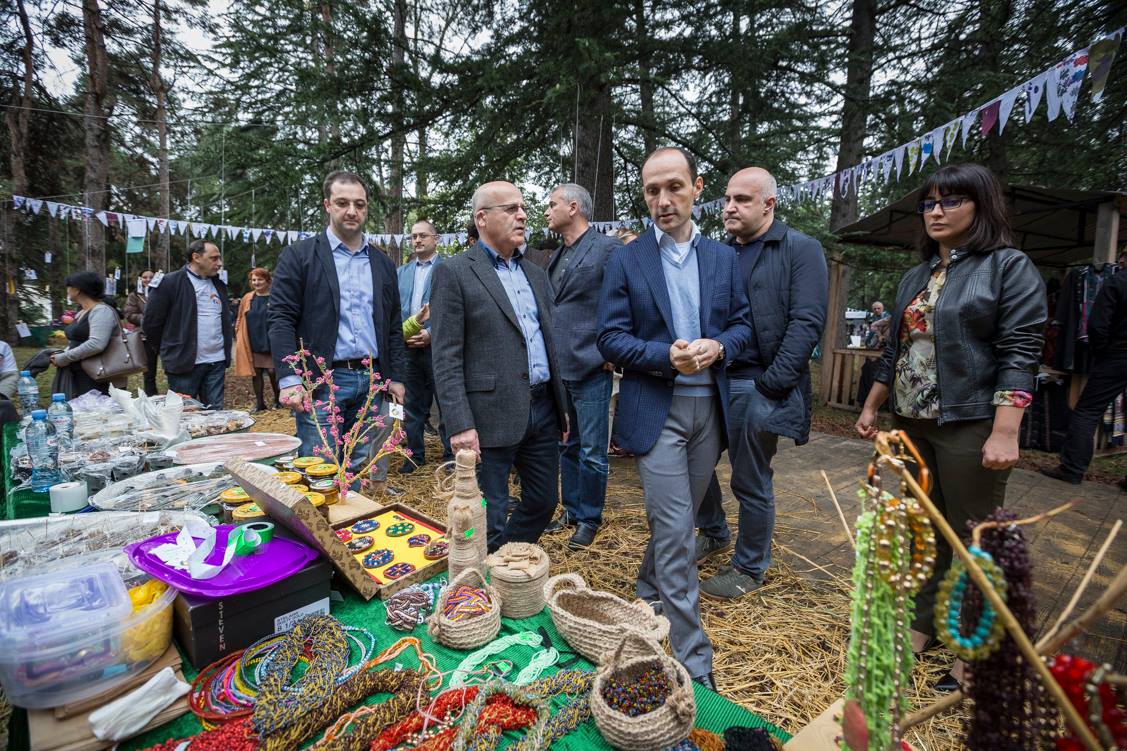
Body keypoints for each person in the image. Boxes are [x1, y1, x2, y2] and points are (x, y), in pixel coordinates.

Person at [855, 163, 1045, 691]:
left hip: (970, 420)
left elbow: (1021, 351)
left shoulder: (1008, 266)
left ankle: (976, 647)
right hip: (912, 422)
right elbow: (895, 350)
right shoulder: (916, 275)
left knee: (974, 536)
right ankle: (925, 623)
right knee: (925, 527)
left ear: (981, 206)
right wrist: (872, 406)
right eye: (929, 203)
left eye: (951, 201)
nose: (935, 212)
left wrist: (1005, 430)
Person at [597, 147, 752, 691]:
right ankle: (694, 659)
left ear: (697, 187)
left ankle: (647, 590)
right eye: (652, 191)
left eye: (674, 187)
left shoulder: (723, 258)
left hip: (709, 409)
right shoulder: (627, 259)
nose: (663, 200)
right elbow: (609, 337)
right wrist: (664, 355)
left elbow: (743, 327)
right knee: (676, 529)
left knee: (676, 522)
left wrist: (719, 347)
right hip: (655, 408)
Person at [694, 166, 828, 600]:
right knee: (695, 464)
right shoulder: (719, 253)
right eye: (727, 199)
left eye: (742, 200)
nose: (729, 207)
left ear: (769, 204)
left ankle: (749, 568)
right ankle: (714, 531)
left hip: (758, 384)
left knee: (750, 480)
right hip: (714, 380)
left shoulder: (799, 248)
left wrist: (771, 386)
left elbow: (807, 322)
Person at [430, 180, 568, 552]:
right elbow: (445, 356)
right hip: (486, 416)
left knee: (542, 502)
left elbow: (549, 343)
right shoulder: (454, 272)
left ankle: (501, 562)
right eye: (510, 209)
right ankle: (483, 578)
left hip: (542, 409)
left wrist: (562, 409)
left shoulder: (536, 273)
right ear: (482, 219)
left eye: (522, 208)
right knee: (486, 516)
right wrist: (459, 422)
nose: (522, 215)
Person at [269, 170, 406, 496]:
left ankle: (353, 522)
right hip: (322, 382)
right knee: (322, 470)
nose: (352, 211)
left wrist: (397, 377)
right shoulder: (300, 256)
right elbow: (281, 319)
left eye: (359, 204)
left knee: (359, 466)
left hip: (372, 381)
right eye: (343, 203)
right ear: (327, 205)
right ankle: (322, 529)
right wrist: (289, 378)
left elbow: (393, 326)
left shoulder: (382, 264)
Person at [542, 183, 623, 549]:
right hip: (560, 368)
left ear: (573, 208)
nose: (546, 211)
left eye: (552, 204)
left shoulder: (607, 249)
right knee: (568, 446)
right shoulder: (557, 255)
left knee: (592, 450)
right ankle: (572, 511)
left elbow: (624, 301)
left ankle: (590, 518)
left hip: (592, 364)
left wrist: (613, 351)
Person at [1041, 267, 1127, 484]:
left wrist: (1101, 351)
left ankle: (1072, 468)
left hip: (1117, 355)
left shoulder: (1118, 281)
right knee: (1088, 411)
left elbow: (1097, 324)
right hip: (1116, 354)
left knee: (1088, 411)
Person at [143, 241, 232, 409]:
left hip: (217, 362)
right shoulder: (169, 282)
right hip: (183, 364)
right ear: (196, 257)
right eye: (214, 258)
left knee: (216, 415)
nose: (219, 263)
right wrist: (170, 349)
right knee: (184, 415)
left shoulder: (219, 284)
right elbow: (151, 323)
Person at [396, 219, 452, 472]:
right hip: (408, 350)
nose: (417, 240)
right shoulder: (401, 272)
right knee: (412, 406)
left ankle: (450, 456)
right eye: (413, 236)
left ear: (436, 239)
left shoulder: (449, 268)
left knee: (446, 403)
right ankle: (414, 456)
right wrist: (402, 334)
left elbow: (454, 311)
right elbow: (394, 310)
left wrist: (431, 333)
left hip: (439, 349)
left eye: (423, 236)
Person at [49, 271, 130, 398]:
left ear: (77, 289)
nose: (67, 290)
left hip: (100, 375)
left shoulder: (102, 311)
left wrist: (65, 357)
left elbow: (96, 344)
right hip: (81, 372)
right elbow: (76, 341)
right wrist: (62, 354)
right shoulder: (82, 312)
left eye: (69, 287)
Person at [234, 267, 281, 413]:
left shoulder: (275, 297)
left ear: (267, 280)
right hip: (253, 340)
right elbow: (240, 317)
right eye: (253, 280)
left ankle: (278, 400)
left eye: (260, 279)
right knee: (256, 372)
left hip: (271, 340)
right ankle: (260, 403)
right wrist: (238, 332)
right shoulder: (248, 298)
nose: (256, 282)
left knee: (273, 371)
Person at [124, 269, 158, 396]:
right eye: (145, 277)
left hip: (164, 335)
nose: (148, 279)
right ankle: (151, 395)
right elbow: (129, 314)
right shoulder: (135, 295)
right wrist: (147, 319)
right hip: (145, 336)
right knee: (149, 369)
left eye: (151, 277)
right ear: (140, 279)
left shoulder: (161, 292)